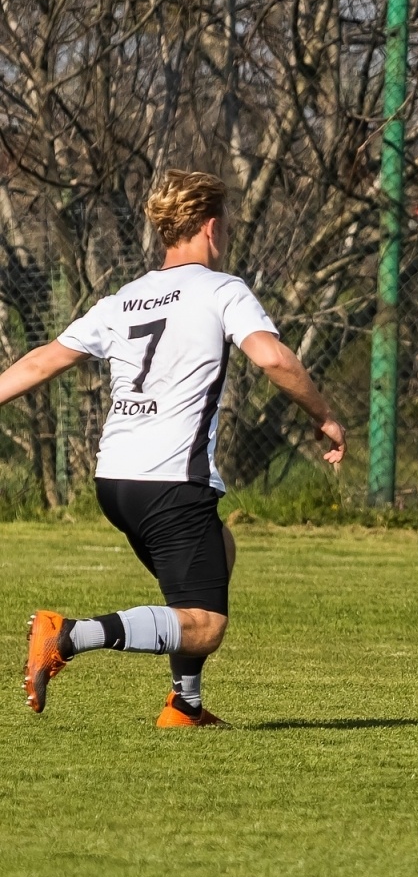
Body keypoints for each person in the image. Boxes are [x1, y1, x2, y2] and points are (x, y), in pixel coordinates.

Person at [2, 169, 347, 724]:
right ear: (211, 227)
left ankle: (185, 705)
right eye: (226, 222)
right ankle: (66, 635)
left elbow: (44, 359)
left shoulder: (125, 299)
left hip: (116, 479)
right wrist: (325, 415)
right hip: (169, 480)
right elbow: (274, 357)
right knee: (204, 624)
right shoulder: (222, 290)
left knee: (221, 549)